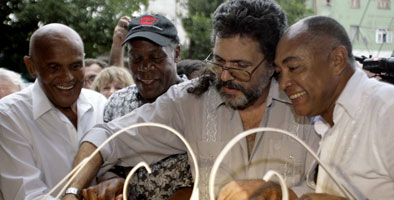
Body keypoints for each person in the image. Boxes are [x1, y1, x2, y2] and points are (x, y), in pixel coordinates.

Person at [64, 1, 320, 199]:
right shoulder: (192, 102)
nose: (226, 76)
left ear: (273, 63)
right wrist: (72, 192)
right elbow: (105, 138)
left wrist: (281, 194)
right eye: (218, 62)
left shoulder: (308, 105)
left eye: (241, 66)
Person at [218, 15, 394, 200]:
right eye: (279, 73)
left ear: (337, 60)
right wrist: (277, 193)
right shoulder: (324, 121)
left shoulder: (387, 111)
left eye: (293, 68)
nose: (283, 84)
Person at [81, 14, 191, 200]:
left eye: (156, 58)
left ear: (177, 54)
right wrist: (114, 181)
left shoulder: (196, 103)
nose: (145, 67)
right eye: (136, 59)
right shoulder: (117, 103)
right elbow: (106, 165)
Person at [0, 23, 107, 200]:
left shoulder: (99, 103)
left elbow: (113, 165)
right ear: (31, 66)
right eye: (54, 68)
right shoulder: (9, 116)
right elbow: (27, 195)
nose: (67, 77)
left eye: (75, 66)